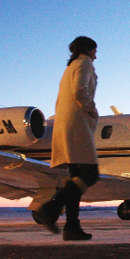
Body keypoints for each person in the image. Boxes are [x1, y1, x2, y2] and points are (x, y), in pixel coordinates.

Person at [39, 36, 100, 240]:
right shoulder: (84, 63)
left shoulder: (71, 66)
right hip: (77, 124)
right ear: (88, 49)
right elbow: (80, 90)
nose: (96, 55)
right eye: (94, 51)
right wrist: (91, 109)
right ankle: (50, 208)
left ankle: (71, 227)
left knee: (76, 178)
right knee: (90, 175)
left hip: (68, 123)